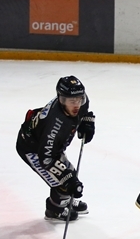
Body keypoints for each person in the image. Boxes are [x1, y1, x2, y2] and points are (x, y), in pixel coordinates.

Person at [15, 75, 95, 222]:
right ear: (61, 100)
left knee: (69, 174)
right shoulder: (54, 124)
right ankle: (54, 210)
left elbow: (84, 112)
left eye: (79, 99)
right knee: (63, 180)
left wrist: (87, 121)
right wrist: (67, 179)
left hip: (50, 146)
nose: (77, 104)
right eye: (72, 101)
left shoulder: (80, 102)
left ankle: (65, 200)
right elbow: (46, 158)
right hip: (32, 148)